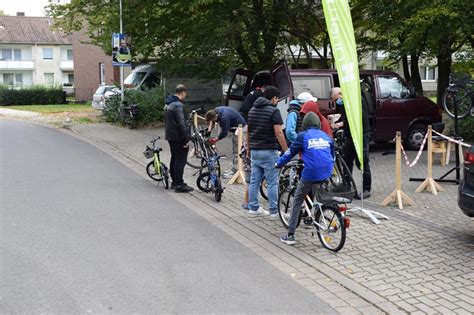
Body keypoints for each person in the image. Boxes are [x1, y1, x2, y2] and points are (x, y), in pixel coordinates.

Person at [277, 112, 335, 245]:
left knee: (297, 199)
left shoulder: (303, 136)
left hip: (311, 172)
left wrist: (279, 163)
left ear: (305, 124)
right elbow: (332, 154)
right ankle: (318, 215)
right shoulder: (325, 135)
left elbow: (290, 152)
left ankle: (290, 235)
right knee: (319, 195)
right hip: (327, 170)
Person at [247, 86, 288, 217]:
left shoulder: (252, 109)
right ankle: (274, 211)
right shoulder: (273, 111)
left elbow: (248, 131)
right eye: (277, 98)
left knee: (254, 181)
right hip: (269, 150)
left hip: (254, 150)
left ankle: (253, 208)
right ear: (274, 98)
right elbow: (279, 132)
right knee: (272, 182)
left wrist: (248, 147)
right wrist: (286, 150)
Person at [331, 87, 371, 199]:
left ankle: (367, 189)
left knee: (363, 161)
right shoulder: (344, 103)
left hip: (361, 134)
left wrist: (340, 124)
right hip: (349, 135)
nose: (336, 102)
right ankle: (346, 185)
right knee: (347, 160)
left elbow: (358, 118)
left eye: (336, 99)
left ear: (340, 93)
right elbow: (346, 118)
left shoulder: (356, 100)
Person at [164, 84, 193, 193]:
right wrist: (186, 139)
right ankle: (179, 184)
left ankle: (175, 181)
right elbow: (182, 124)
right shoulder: (178, 105)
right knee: (181, 160)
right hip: (178, 137)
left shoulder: (168, 104)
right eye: (185, 94)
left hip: (170, 136)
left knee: (174, 158)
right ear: (183, 93)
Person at [205, 106, 247, 177]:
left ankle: (236, 170)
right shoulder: (216, 111)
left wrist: (215, 139)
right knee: (235, 149)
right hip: (236, 128)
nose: (214, 122)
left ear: (216, 116)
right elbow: (212, 121)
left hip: (240, 129)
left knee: (238, 151)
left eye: (214, 120)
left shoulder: (224, 117)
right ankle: (236, 169)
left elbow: (224, 133)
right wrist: (209, 131)